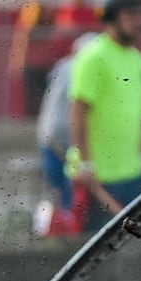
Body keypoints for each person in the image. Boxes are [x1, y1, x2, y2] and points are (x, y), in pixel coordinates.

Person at [67, 0, 141, 230]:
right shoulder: (93, 55)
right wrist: (86, 165)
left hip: (132, 175)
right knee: (97, 253)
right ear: (112, 17)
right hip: (98, 180)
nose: (138, 22)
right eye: (130, 15)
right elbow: (77, 112)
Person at [33, 32, 100, 237]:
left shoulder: (62, 67)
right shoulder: (79, 71)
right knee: (71, 198)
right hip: (62, 140)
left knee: (59, 195)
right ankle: (69, 238)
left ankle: (56, 234)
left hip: (46, 136)